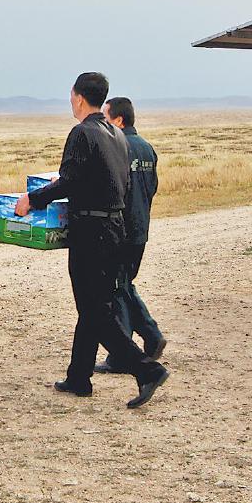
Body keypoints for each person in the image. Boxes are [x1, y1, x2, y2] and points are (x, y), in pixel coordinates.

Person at [15, 73, 169, 408]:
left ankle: (147, 370)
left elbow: (68, 182)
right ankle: (78, 377)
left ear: (79, 97)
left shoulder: (82, 133)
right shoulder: (117, 135)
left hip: (91, 232)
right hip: (114, 229)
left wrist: (32, 200)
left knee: (95, 312)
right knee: (92, 307)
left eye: (71, 95)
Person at [94, 97, 166, 374]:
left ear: (119, 121)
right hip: (140, 229)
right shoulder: (147, 148)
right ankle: (151, 336)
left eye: (106, 118)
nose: (103, 124)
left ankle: (122, 354)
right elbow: (152, 187)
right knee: (123, 284)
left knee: (115, 289)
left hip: (119, 229)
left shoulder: (118, 147)